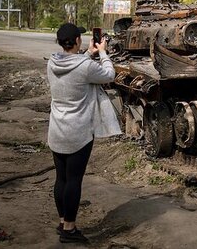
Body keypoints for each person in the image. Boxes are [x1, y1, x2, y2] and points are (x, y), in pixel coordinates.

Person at [47, 23, 121, 243]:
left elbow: (76, 65)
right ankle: (69, 230)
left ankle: (62, 221)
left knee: (61, 179)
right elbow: (108, 75)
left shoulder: (52, 63)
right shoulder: (85, 67)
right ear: (78, 41)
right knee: (74, 181)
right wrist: (103, 52)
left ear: (60, 43)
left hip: (56, 131)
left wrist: (88, 53)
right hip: (78, 134)